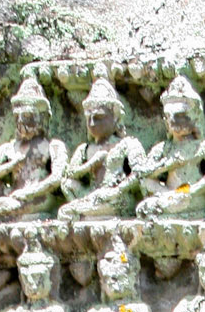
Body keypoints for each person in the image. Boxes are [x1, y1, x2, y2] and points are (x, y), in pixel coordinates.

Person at [0, 73, 67, 220]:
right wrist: (11, 165)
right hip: (14, 194)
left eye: (27, 116)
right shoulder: (8, 148)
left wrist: (30, 192)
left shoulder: (53, 146)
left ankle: (3, 211)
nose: (20, 122)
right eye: (17, 117)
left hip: (38, 197)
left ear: (42, 118)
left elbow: (57, 177)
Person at [137, 75, 205, 218]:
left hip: (194, 195)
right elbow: (142, 176)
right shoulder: (164, 148)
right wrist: (166, 167)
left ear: (195, 116)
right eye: (169, 117)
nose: (174, 121)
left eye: (180, 115)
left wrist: (191, 191)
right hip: (169, 196)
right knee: (144, 204)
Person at [60, 76, 145, 219]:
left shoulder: (127, 144)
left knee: (68, 211)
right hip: (92, 194)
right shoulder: (85, 148)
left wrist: (118, 189)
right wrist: (90, 164)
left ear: (116, 118)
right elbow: (70, 174)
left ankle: (86, 211)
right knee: (67, 184)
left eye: (99, 118)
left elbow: (140, 172)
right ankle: (87, 209)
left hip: (115, 196)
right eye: (89, 119)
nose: (92, 124)